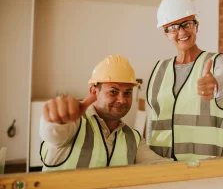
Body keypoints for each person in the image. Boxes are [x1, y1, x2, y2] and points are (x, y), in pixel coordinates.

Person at [40, 55, 171, 172]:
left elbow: (160, 166)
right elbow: (54, 132)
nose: (122, 100)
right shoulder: (74, 125)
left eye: (128, 93)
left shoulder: (133, 138)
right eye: (113, 92)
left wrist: (191, 167)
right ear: (93, 91)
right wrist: (58, 118)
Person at [146, 0, 223, 162]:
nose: (181, 32)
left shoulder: (217, 61)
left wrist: (216, 86)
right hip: (160, 167)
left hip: (203, 170)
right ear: (166, 34)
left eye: (186, 24)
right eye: (173, 27)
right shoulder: (159, 68)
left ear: (196, 26)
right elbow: (153, 121)